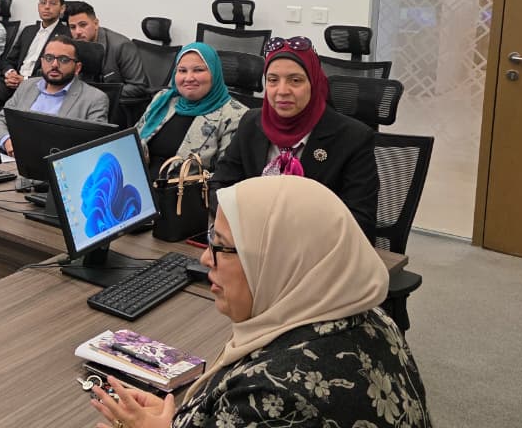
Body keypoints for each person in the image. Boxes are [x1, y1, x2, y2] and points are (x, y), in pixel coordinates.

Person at [90, 176, 430, 428]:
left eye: (221, 246)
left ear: (278, 260)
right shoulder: (373, 319)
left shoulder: (271, 396)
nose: (206, 258)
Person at [213, 36, 378, 240]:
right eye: (273, 80)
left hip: (315, 248)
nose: (282, 91)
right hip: (251, 241)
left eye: (296, 80)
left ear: (314, 83)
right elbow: (219, 186)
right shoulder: (250, 123)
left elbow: (360, 221)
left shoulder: (354, 138)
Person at [135, 43, 248, 172]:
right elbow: (134, 141)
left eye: (198, 70)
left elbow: (226, 175)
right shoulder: (163, 99)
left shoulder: (236, 117)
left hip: (186, 185)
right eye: (182, 71)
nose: (188, 78)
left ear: (214, 73)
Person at [0, 36, 109, 157]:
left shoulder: (95, 99)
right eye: (49, 58)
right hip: (13, 159)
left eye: (63, 59)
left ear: (77, 68)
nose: (54, 64)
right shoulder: (27, 86)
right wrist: (7, 142)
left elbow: (95, 146)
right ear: (42, 61)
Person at [0, 0, 70, 113]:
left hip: (37, 85)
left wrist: (24, 80)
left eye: (52, 3)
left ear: (62, 8)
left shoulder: (66, 36)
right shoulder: (28, 31)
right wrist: (11, 73)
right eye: (43, 2)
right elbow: (9, 60)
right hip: (12, 81)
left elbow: (56, 70)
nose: (47, 7)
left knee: (12, 111)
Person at [63, 1, 150, 101]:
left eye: (83, 25)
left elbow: (139, 87)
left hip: (113, 104)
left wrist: (96, 94)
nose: (77, 32)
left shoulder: (121, 45)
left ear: (96, 24)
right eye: (72, 27)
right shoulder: (73, 44)